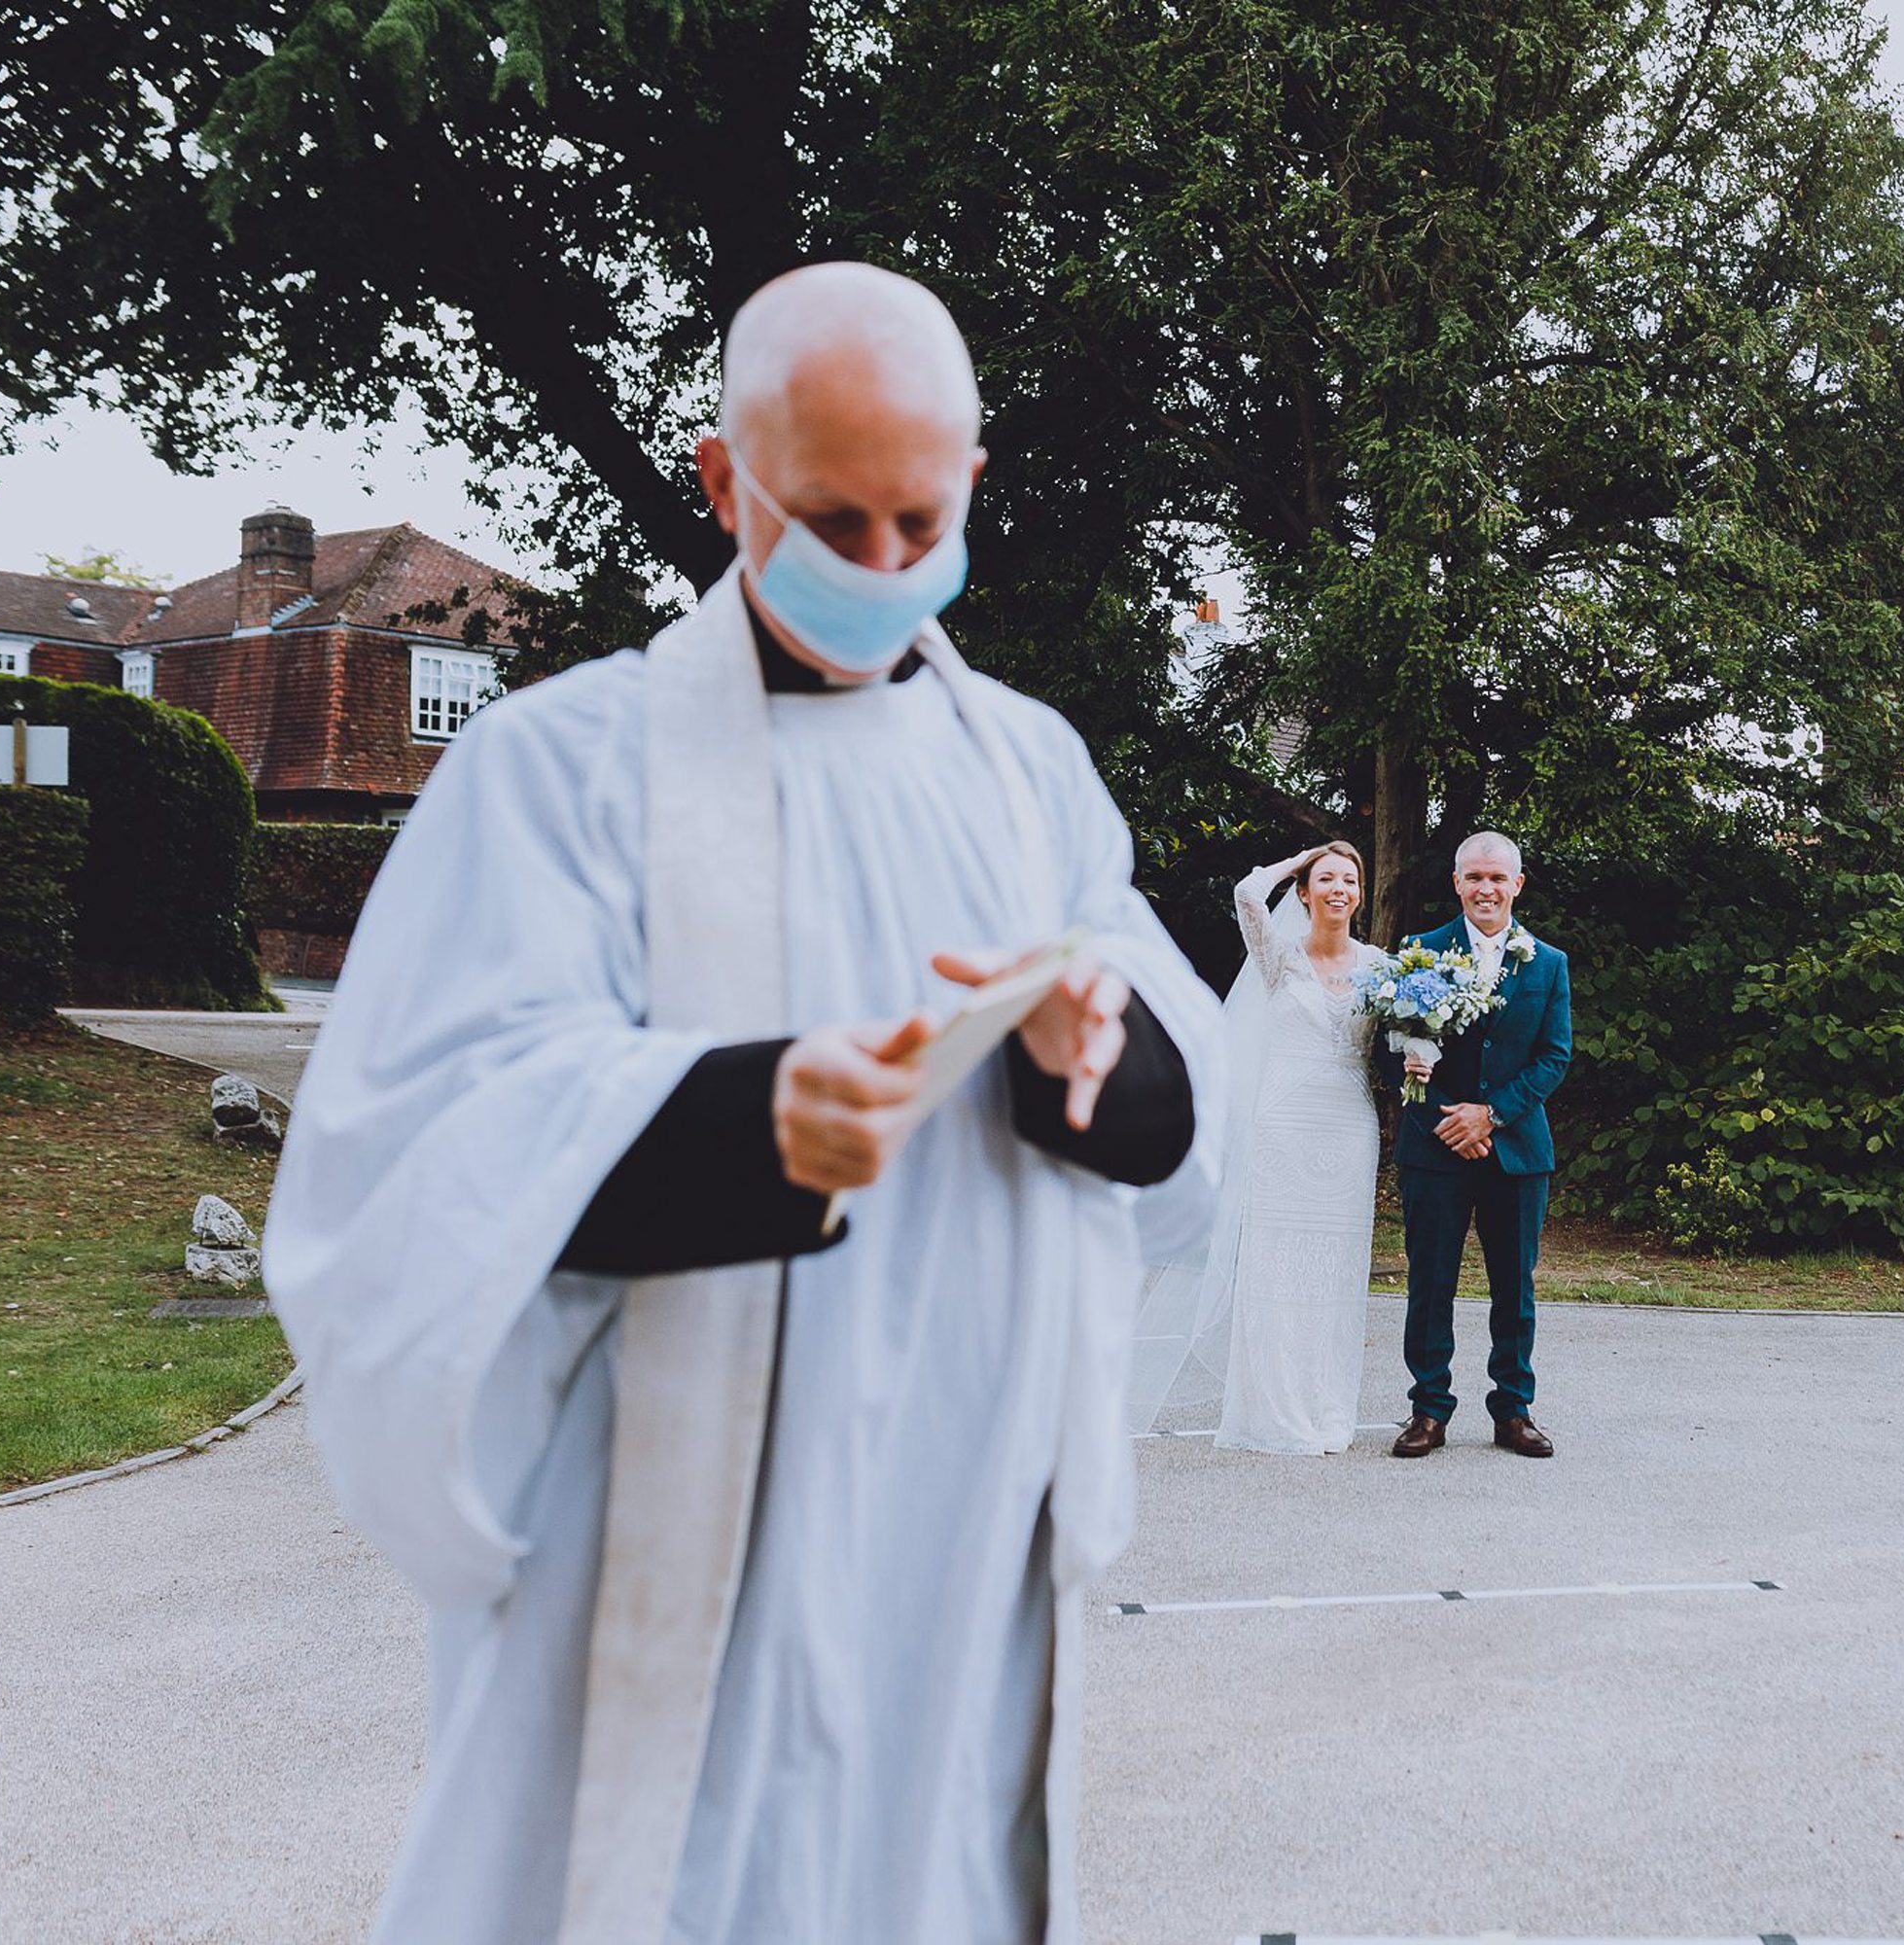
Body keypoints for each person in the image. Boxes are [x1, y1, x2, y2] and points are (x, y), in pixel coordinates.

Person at [262, 262, 1223, 1944]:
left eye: (920, 522)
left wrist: (1090, 1063)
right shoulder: (559, 774)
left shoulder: (1030, 767)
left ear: (974, 484)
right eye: (830, 522)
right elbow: (416, 1160)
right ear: (724, 482)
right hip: (663, 1549)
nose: (882, 568)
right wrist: (742, 1121)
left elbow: (1167, 1114)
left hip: (956, 1546)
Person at [1131, 842, 1386, 1452]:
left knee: (1336, 1272)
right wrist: (1300, 858)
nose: (1339, 889)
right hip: (1283, 1126)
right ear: (1305, 892)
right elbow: (1248, 895)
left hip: (1348, 1128)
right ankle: (1271, 1411)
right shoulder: (1279, 958)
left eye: (1349, 880)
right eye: (1326, 879)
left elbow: (1406, 1036)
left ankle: (1328, 1408)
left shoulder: (1381, 966)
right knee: (1275, 1267)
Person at [1378, 831, 1572, 1459]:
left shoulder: (1548, 962)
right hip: (1434, 1149)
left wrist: (1490, 1115)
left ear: (1517, 884)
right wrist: (1448, 1120)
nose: (1485, 889)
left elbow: (1554, 1057)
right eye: (1473, 877)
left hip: (1516, 1152)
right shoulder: (1418, 952)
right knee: (1429, 1283)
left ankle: (1513, 1410)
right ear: (1456, 882)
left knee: (1514, 1287)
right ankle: (1428, 1409)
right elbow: (1391, 1052)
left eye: (1497, 878)